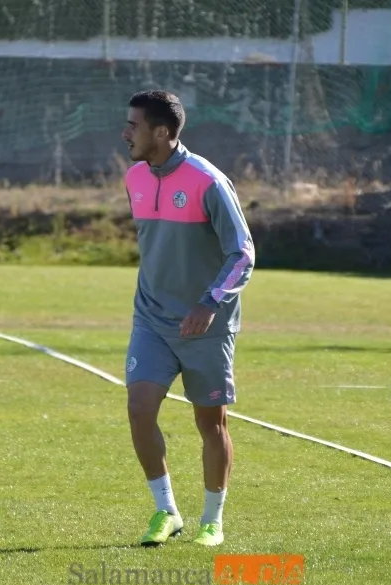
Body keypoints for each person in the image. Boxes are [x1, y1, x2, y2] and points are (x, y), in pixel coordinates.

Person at [120, 90, 255, 547]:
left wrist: (209, 302)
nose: (125, 133)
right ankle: (166, 511)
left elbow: (243, 253)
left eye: (134, 126)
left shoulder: (208, 181)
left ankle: (212, 521)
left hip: (206, 326)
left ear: (161, 132)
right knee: (139, 410)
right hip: (152, 320)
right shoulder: (135, 177)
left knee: (211, 425)